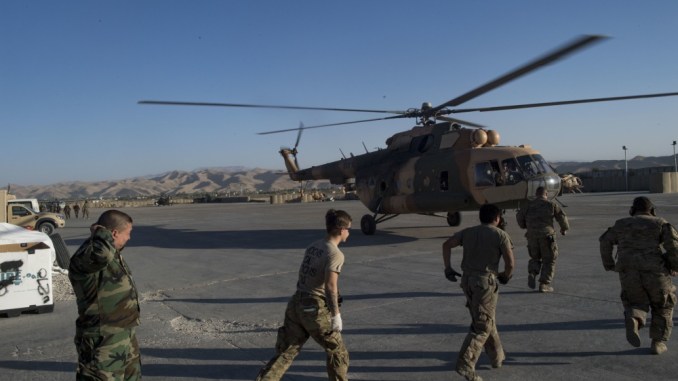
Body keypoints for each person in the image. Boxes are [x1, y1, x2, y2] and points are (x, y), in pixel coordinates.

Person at [255, 209, 351, 381]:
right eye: (348, 229)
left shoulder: (314, 246)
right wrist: (336, 315)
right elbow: (330, 286)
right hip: (314, 308)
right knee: (337, 351)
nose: (349, 232)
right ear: (340, 229)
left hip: (296, 302)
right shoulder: (336, 254)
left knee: (287, 351)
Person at [442, 204, 515, 381]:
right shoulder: (500, 235)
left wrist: (448, 268)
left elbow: (446, 245)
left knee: (487, 319)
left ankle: (497, 357)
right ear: (497, 218)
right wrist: (506, 276)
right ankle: (465, 364)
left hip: (467, 281)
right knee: (482, 325)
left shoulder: (467, 232)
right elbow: (510, 263)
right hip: (485, 283)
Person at [599, 196, 678, 355]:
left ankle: (635, 319)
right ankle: (658, 342)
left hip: (628, 271)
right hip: (655, 271)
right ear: (652, 210)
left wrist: (609, 264)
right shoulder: (660, 223)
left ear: (632, 210)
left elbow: (604, 241)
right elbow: (674, 247)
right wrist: (675, 266)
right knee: (663, 305)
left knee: (635, 301)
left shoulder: (621, 224)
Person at [68, 210, 141, 380]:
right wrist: (101, 232)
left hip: (122, 334)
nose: (129, 238)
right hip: (102, 338)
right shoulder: (88, 255)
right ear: (113, 233)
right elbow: (101, 255)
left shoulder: (112, 253)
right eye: (127, 233)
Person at [516, 186, 569, 293]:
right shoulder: (551, 205)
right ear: (546, 194)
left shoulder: (528, 206)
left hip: (532, 237)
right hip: (547, 237)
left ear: (536, 194)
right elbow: (562, 217)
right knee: (549, 260)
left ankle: (533, 272)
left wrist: (525, 226)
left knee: (535, 258)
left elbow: (519, 218)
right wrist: (564, 229)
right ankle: (544, 284)